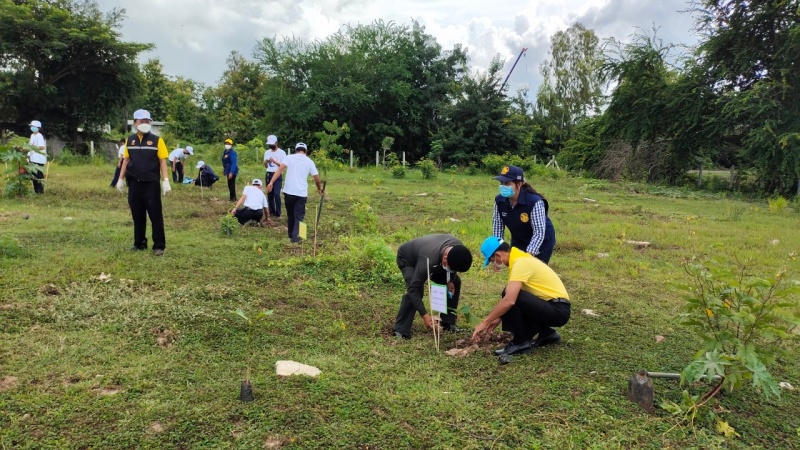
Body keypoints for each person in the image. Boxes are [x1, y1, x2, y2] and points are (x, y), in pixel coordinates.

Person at [472, 236, 570, 358]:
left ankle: (520, 342)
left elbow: (509, 300)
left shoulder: (520, 263)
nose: (494, 264)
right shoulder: (520, 258)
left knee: (508, 294)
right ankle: (546, 334)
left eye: (492, 261)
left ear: (498, 255)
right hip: (554, 307)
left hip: (558, 310)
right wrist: (498, 318)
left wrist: (485, 322)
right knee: (511, 294)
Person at [392, 234, 474, 339]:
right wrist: (425, 315)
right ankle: (400, 330)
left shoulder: (458, 249)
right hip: (408, 258)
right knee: (417, 289)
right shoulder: (428, 260)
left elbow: (453, 267)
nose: (452, 271)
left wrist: (450, 280)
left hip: (434, 259)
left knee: (456, 282)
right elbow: (413, 289)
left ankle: (447, 323)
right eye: (451, 268)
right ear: (445, 258)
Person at [116, 109, 171, 256]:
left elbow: (162, 161)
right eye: (142, 121)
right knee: (137, 214)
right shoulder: (130, 141)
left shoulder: (157, 140)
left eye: (147, 121)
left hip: (151, 184)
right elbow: (126, 160)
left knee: (155, 215)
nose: (145, 123)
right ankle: (139, 243)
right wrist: (120, 179)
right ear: (135, 123)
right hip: (134, 183)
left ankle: (159, 245)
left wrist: (165, 180)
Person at [492, 165, 556, 263]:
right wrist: (498, 250)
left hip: (541, 242)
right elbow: (497, 226)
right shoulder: (499, 201)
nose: (503, 186)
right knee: (516, 267)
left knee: (533, 269)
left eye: (507, 183)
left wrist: (528, 255)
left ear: (519, 184)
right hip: (519, 240)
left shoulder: (535, 202)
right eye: (501, 183)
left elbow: (539, 232)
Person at [266, 142, 323, 243]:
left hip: (288, 192)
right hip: (301, 193)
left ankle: (291, 234)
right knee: (299, 216)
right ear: (305, 151)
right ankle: (296, 238)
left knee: (290, 214)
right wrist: (319, 188)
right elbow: (317, 179)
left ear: (296, 150)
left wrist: (271, 182)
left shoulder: (289, 157)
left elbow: (280, 169)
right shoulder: (309, 161)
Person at [263, 134, 286, 218]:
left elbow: (283, 166)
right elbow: (266, 166)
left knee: (276, 193)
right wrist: (266, 162)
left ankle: (278, 213)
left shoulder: (282, 152)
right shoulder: (267, 152)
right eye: (269, 144)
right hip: (269, 173)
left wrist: (275, 162)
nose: (271, 146)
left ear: (276, 143)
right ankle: (271, 211)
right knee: (270, 194)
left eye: (272, 144)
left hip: (277, 174)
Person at [27, 120, 47, 194]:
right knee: (34, 176)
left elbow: (42, 147)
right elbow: (29, 146)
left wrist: (33, 148)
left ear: (38, 128)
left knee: (38, 176)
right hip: (32, 158)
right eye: (31, 126)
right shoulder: (32, 135)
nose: (32, 127)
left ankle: (40, 192)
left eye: (33, 126)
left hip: (39, 159)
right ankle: (36, 191)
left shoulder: (39, 136)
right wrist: (28, 154)